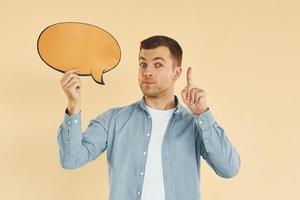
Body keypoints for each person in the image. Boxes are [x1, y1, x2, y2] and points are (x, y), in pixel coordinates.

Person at [57, 35, 241, 200]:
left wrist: (203, 114)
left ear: (176, 73)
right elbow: (71, 159)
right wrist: (74, 104)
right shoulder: (113, 120)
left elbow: (229, 168)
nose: (147, 72)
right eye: (143, 64)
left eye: (158, 64)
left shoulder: (195, 124)